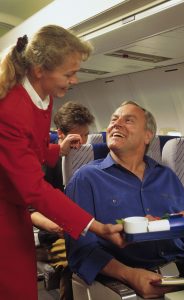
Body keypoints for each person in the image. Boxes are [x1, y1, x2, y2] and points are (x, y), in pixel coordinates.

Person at [0, 25, 124, 300]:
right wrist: (94, 225)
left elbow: (29, 148)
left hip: (13, 210)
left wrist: (57, 150)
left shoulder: (41, 97)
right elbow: (33, 187)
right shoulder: (10, 109)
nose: (75, 80)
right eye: (69, 73)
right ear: (39, 69)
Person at [65, 101, 184, 299]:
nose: (116, 124)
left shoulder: (166, 176)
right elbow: (81, 250)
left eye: (128, 120)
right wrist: (130, 275)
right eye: (113, 120)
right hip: (130, 284)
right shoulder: (86, 179)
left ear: (148, 135)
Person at [31, 101, 95, 300]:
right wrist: (58, 227)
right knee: (73, 262)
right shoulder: (46, 163)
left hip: (84, 230)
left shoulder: (92, 158)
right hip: (52, 234)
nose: (82, 143)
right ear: (60, 134)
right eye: (76, 137)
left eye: (86, 135)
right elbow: (31, 211)